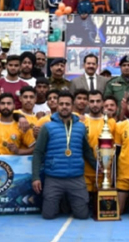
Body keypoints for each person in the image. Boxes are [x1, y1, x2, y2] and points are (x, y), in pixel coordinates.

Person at [32, 91, 96, 220]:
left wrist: (100, 169)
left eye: (67, 104)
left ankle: (66, 202)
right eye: (61, 104)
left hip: (76, 178)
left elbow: (87, 151)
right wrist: (35, 177)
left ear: (72, 106)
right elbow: (38, 152)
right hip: (54, 178)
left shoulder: (81, 127)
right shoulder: (47, 127)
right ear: (57, 105)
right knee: (48, 215)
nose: (64, 106)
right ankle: (63, 202)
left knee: (82, 215)